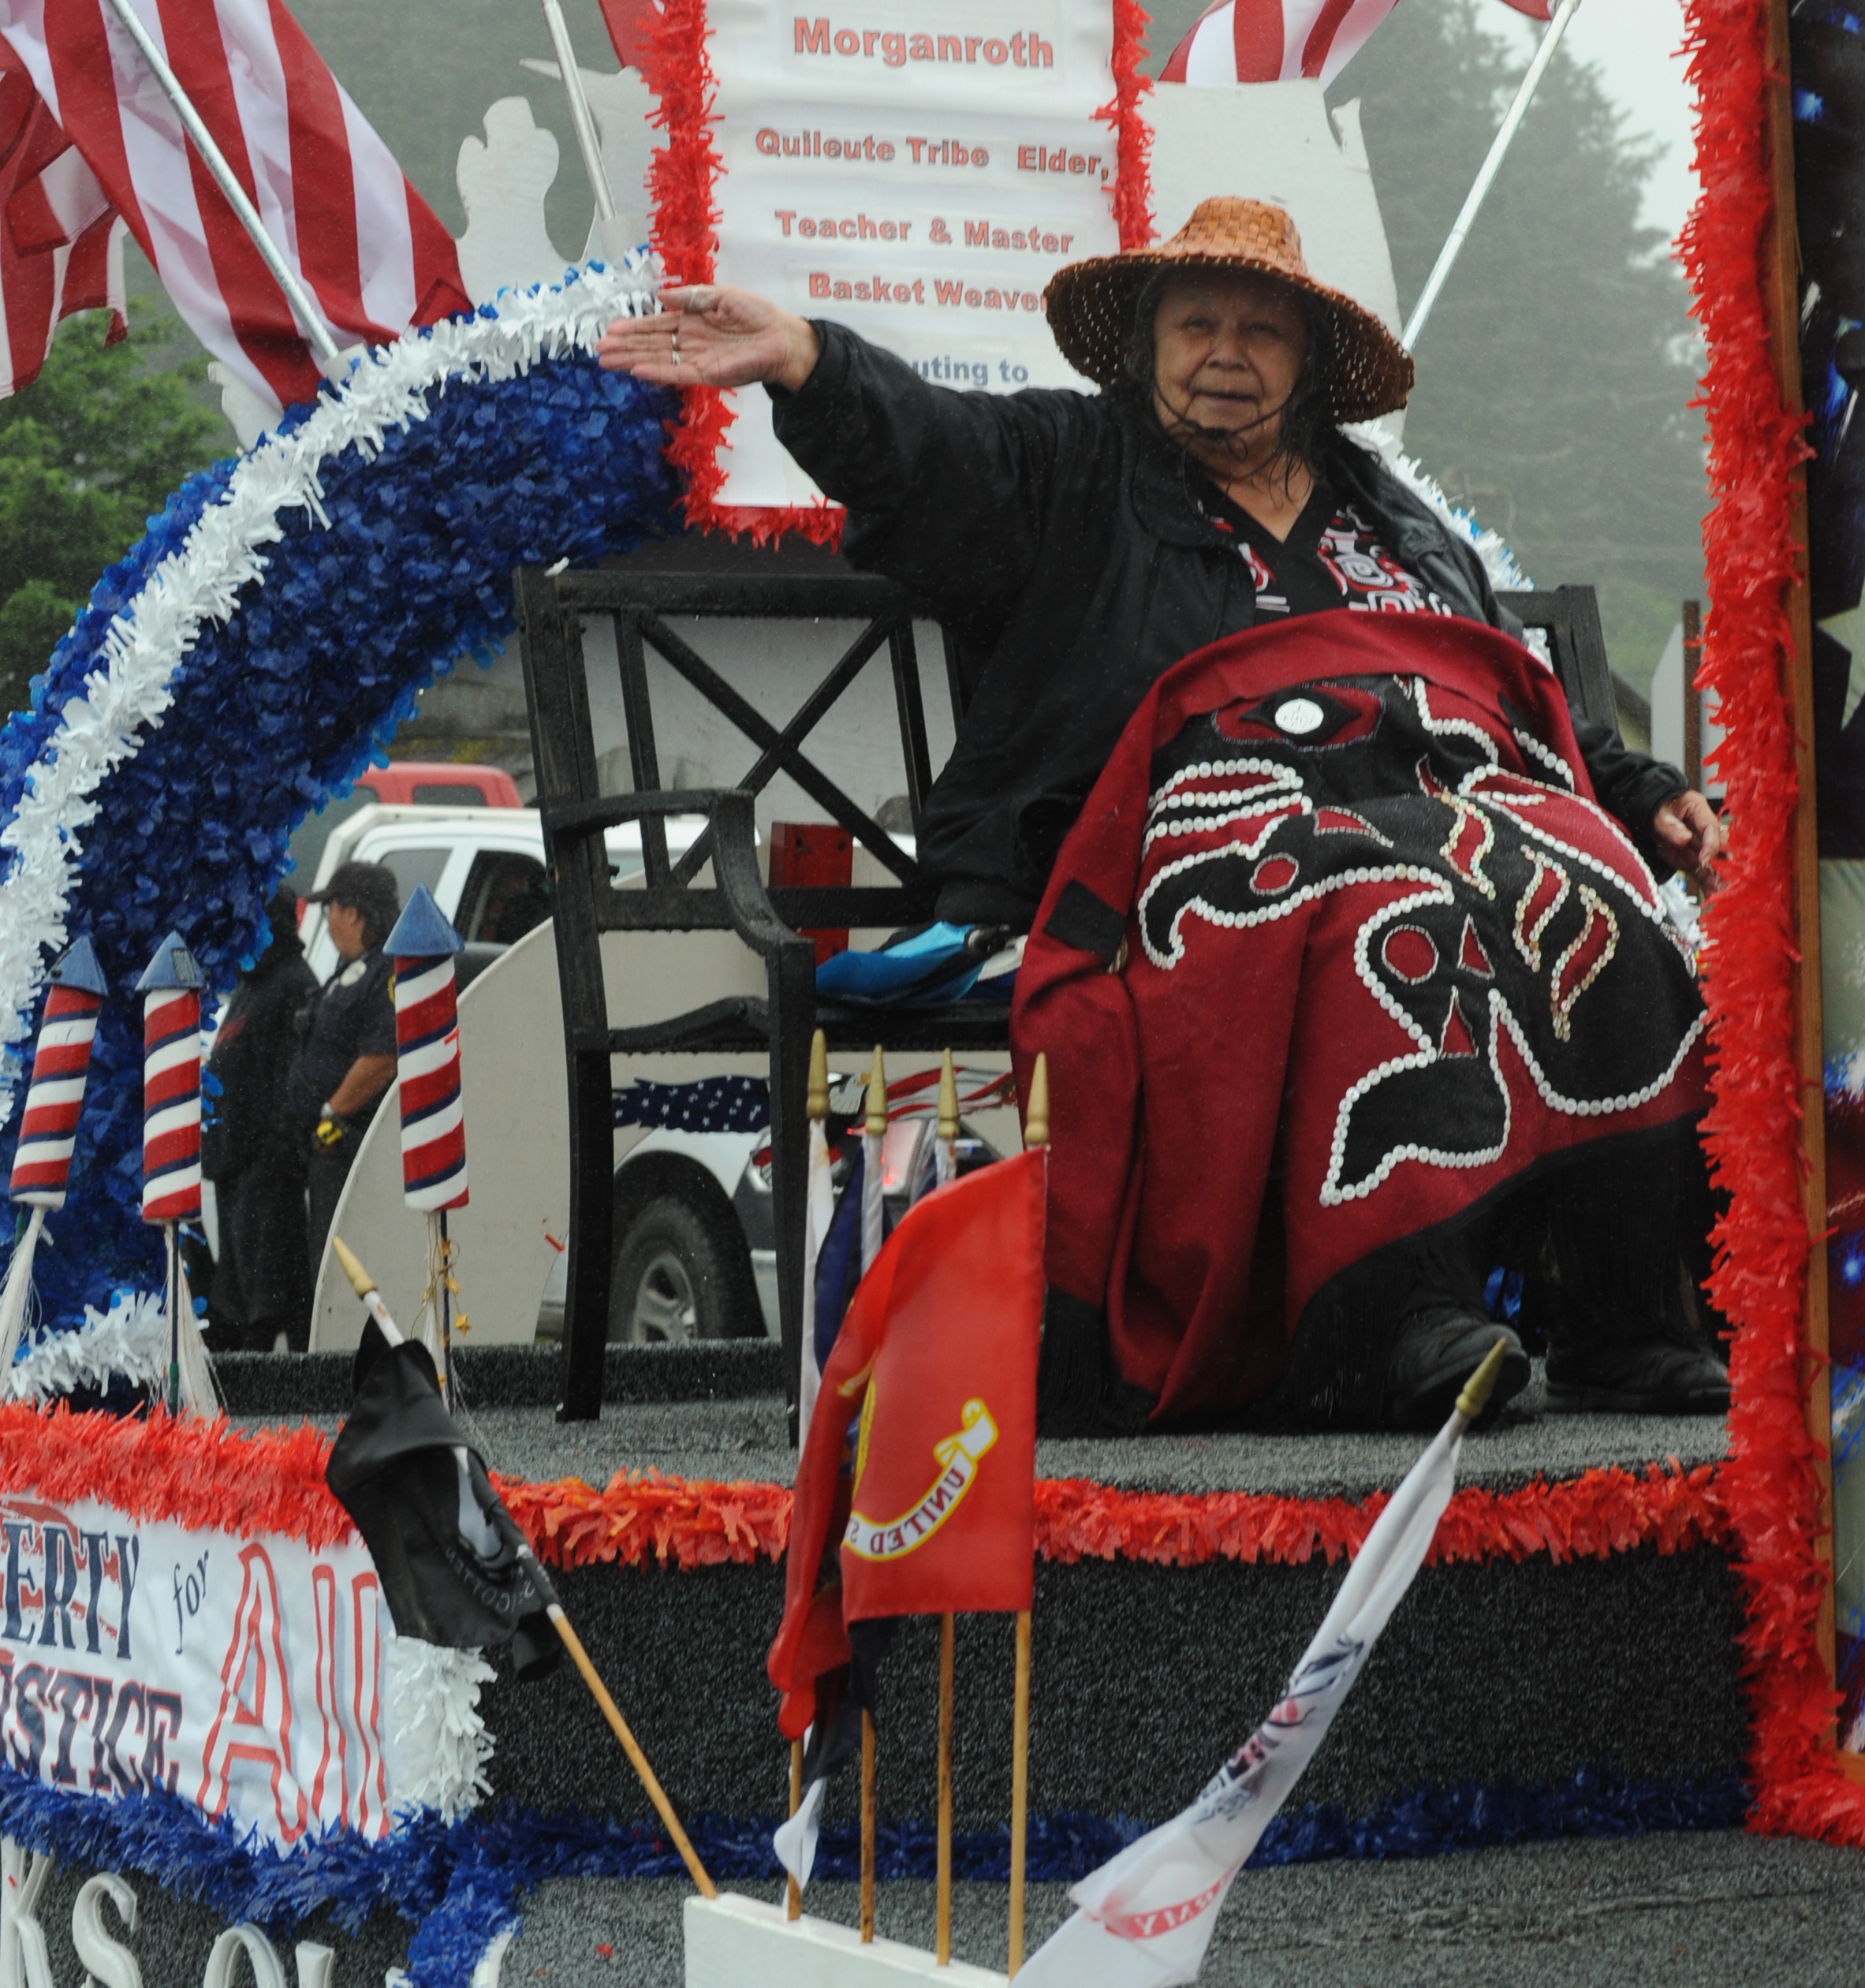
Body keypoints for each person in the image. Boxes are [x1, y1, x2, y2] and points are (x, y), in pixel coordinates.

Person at [599, 199, 1728, 1430]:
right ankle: (1387, 1319)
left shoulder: (1391, 512)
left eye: (1261, 330)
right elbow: (928, 452)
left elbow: (1507, 679)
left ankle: (1624, 1310)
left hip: (1429, 805)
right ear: (1147, 346)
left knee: (1600, 888)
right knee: (1375, 902)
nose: (1225, 353)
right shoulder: (1068, 468)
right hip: (1163, 851)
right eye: (1196, 324)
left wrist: (1639, 794)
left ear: (1310, 366)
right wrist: (811, 361)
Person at [203, 890, 317, 1348]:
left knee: (266, 1297)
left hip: (265, 1168)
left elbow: (291, 1082)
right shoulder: (253, 982)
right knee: (235, 1292)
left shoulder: (294, 984)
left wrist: (272, 1153)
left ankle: (265, 1386)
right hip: (234, 1162)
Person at [289, 860, 400, 1300]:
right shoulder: (349, 969)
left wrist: (334, 1111)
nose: (328, 920)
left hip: (349, 1142)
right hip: (323, 1147)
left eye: (331, 909)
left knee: (342, 1262)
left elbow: (381, 1057)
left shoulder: (383, 973)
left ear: (353, 913)